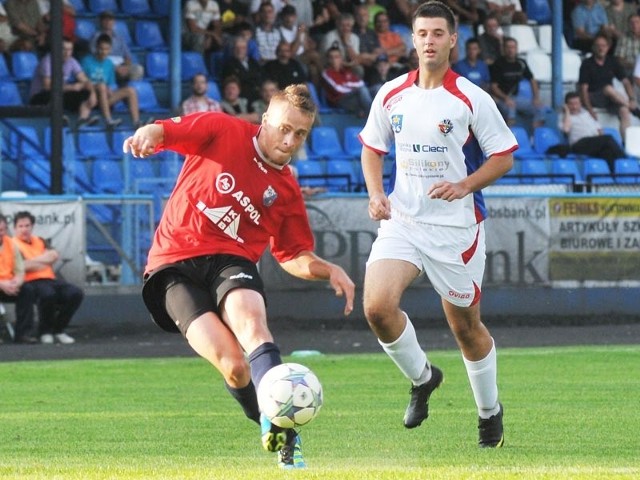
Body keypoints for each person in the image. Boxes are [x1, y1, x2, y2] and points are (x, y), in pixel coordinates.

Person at [121, 83, 355, 469]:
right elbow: (165, 132)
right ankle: (267, 419)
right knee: (234, 365)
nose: (290, 139)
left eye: (300, 134)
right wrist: (148, 133)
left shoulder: (286, 190)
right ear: (265, 120)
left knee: (253, 325)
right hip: (173, 263)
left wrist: (326, 269)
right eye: (284, 128)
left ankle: (288, 436)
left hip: (231, 261)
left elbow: (292, 254)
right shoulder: (222, 129)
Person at [359, 1, 515, 448]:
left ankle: (489, 412)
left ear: (452, 41)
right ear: (413, 39)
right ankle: (423, 378)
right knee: (377, 308)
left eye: (437, 34)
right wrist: (375, 192)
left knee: (466, 328)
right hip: (404, 219)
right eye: (422, 33)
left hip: (456, 229)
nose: (429, 41)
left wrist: (466, 184)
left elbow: (502, 156)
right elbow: (372, 147)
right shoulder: (391, 93)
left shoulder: (470, 97)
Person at [12, 211, 84, 345]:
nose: (24, 229)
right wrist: (42, 261)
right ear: (15, 228)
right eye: (21, 226)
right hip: (30, 281)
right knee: (48, 294)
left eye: (27, 225)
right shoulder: (12, 244)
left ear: (32, 226)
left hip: (50, 278)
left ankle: (58, 329)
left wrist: (32, 262)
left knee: (75, 293)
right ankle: (45, 332)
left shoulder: (40, 240)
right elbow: (20, 266)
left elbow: (54, 255)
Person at [579, 33, 639, 141]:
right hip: (594, 96)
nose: (601, 48)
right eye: (598, 45)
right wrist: (589, 109)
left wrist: (632, 98)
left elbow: (625, 81)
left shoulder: (612, 61)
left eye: (603, 45)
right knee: (608, 88)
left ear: (608, 47)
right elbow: (583, 89)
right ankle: (635, 110)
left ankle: (627, 144)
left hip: (609, 97)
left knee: (624, 111)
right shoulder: (587, 64)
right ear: (593, 47)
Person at [29, 37, 99, 127]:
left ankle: (82, 120)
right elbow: (47, 87)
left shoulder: (72, 61)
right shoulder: (47, 61)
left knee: (85, 93)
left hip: (60, 93)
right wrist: (71, 87)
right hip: (39, 97)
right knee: (56, 94)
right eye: (64, 49)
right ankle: (58, 117)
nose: (67, 53)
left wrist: (92, 93)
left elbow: (85, 80)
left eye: (70, 50)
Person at [81, 33, 141, 128]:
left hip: (104, 98)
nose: (103, 52)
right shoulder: (86, 61)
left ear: (110, 50)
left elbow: (110, 84)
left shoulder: (109, 63)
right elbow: (83, 81)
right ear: (96, 47)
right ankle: (108, 120)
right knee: (101, 86)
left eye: (106, 49)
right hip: (90, 97)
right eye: (101, 48)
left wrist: (109, 90)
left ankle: (136, 122)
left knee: (130, 90)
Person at [489, 36, 547, 127]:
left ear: (516, 49)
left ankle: (535, 137)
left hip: (516, 98)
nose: (510, 50)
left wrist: (536, 98)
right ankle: (510, 137)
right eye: (508, 47)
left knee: (540, 109)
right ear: (504, 49)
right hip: (501, 99)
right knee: (510, 110)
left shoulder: (521, 63)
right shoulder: (498, 64)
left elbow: (532, 80)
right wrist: (505, 98)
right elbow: (494, 87)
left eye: (513, 47)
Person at [560, 91, 626, 170]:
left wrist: (601, 142)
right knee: (608, 138)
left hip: (593, 143)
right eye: (571, 104)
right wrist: (567, 112)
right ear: (566, 105)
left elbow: (599, 129)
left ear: (580, 104)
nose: (574, 107)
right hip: (579, 144)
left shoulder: (586, 114)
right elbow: (566, 129)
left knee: (608, 153)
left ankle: (613, 176)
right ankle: (624, 159)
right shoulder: (564, 117)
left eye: (576, 103)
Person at [0, 214, 37, 344]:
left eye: (1, 230)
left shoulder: (11, 243)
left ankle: (23, 334)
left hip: (10, 284)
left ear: (5, 229)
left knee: (27, 290)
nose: (0, 233)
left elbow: (20, 269)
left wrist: (16, 283)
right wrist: (1, 284)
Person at [90, 10, 144, 85]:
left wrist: (125, 66)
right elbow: (95, 56)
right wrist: (115, 68)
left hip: (121, 66)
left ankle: (128, 91)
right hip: (105, 66)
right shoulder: (95, 37)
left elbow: (127, 56)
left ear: (114, 22)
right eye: (105, 19)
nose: (108, 22)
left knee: (138, 69)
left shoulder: (119, 38)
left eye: (110, 19)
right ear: (101, 22)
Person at [321, 46, 372, 117]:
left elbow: (361, 83)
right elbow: (338, 89)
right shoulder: (326, 73)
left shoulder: (346, 72)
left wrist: (346, 85)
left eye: (336, 57)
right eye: (331, 57)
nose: (334, 60)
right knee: (362, 91)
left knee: (377, 88)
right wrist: (353, 88)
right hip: (340, 101)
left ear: (341, 59)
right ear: (328, 60)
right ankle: (370, 116)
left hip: (354, 97)